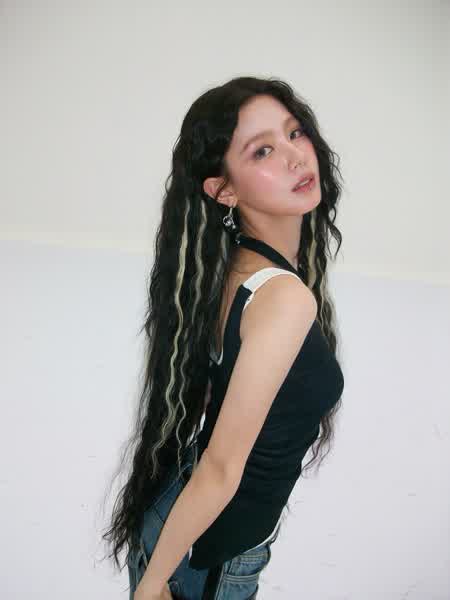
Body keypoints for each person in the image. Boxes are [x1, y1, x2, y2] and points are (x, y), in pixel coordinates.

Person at [101, 76, 345, 599]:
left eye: (294, 133)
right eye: (262, 150)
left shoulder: (235, 269)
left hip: (183, 530)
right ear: (223, 190)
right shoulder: (283, 298)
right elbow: (221, 467)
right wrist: (151, 587)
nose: (295, 157)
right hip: (202, 556)